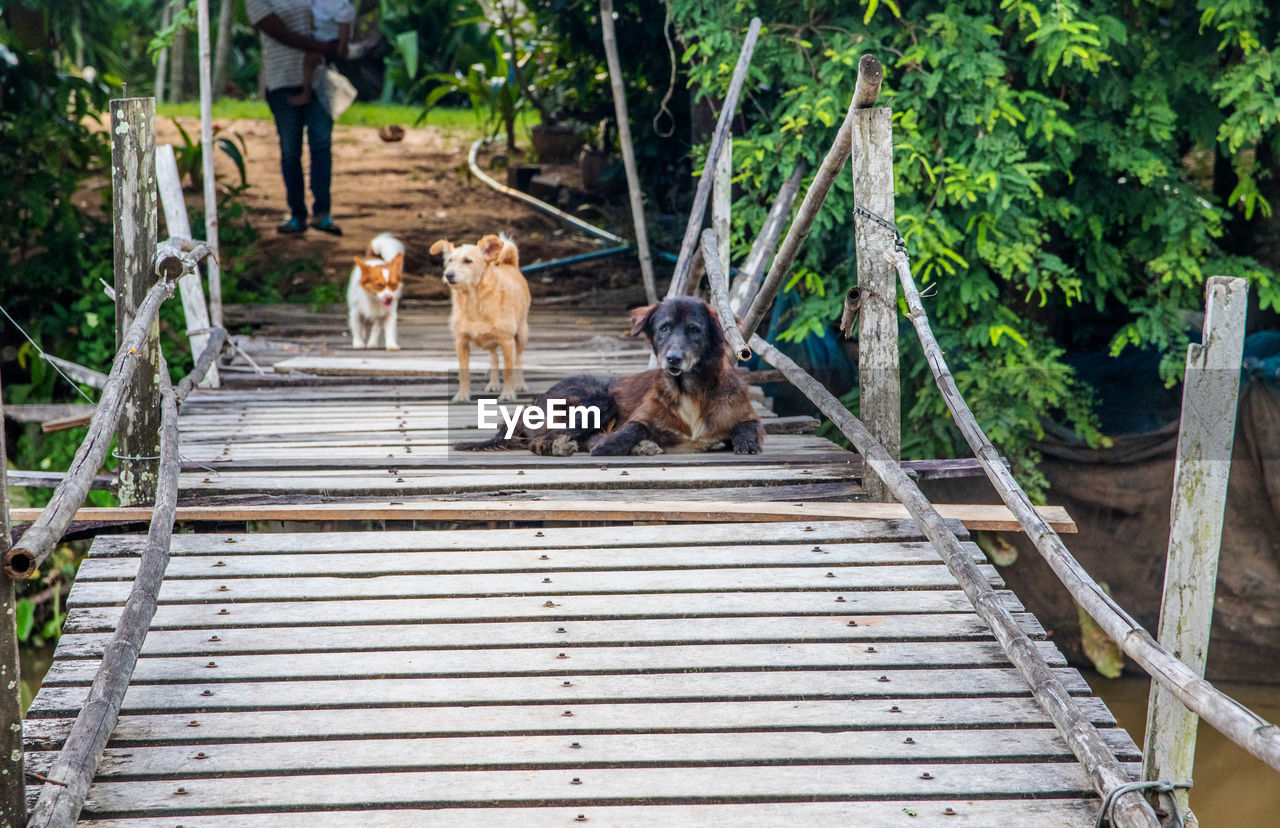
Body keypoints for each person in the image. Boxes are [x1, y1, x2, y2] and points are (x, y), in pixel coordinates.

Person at [245, 0, 347, 235]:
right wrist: (324, 47)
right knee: (291, 151)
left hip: (320, 80)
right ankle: (297, 214)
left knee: (321, 145)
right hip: (282, 80)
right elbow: (280, 33)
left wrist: (332, 45)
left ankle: (322, 213)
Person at [289, 0, 355, 108]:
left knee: (310, 60)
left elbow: (344, 27)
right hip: (317, 39)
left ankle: (306, 93)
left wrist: (343, 44)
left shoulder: (341, 4)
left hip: (332, 42)